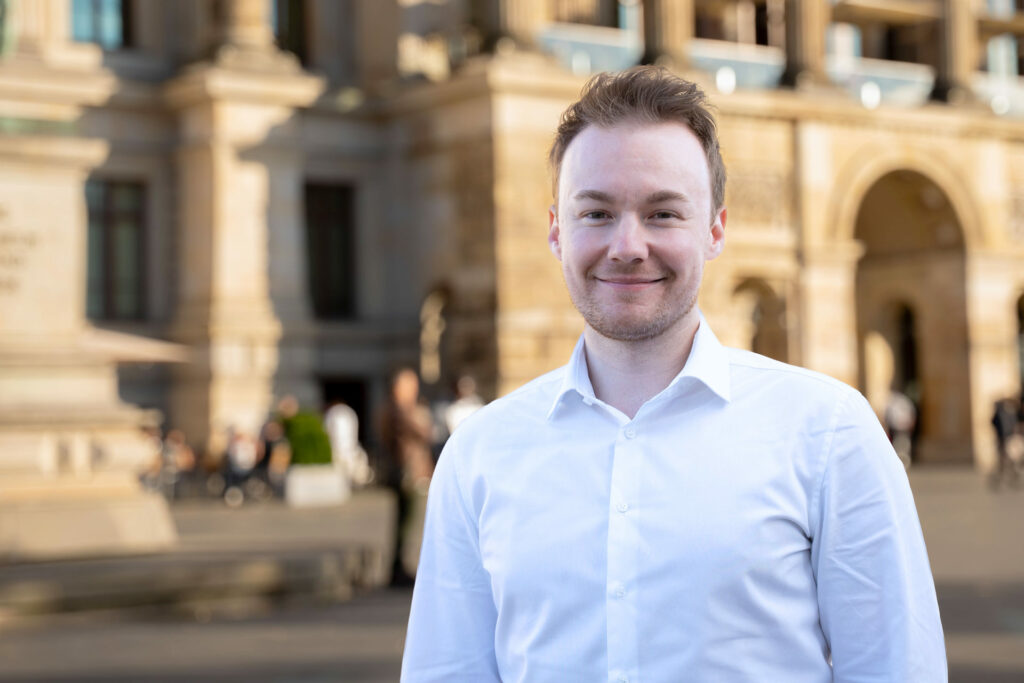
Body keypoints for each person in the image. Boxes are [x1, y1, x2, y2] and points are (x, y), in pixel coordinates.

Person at [402, 67, 946, 681]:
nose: (628, 245)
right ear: (557, 230)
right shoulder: (480, 454)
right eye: (597, 213)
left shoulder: (829, 433)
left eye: (663, 213)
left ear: (715, 229)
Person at [378, 367, 435, 586]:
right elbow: (423, 433)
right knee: (407, 522)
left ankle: (400, 566)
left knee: (408, 521)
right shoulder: (398, 410)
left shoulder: (394, 409)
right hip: (406, 474)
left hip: (406, 473)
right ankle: (398, 568)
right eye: (410, 385)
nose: (414, 389)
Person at [990, 396, 1021, 490]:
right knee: (1003, 461)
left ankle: (1012, 479)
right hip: (1002, 440)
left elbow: (1013, 426)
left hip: (1008, 439)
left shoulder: (1008, 414)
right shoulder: (998, 415)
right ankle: (999, 480)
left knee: (1008, 461)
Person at [884, 388, 917, 469]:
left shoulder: (899, 401)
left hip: (901, 426)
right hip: (897, 427)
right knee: (899, 445)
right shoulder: (895, 402)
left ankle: (903, 462)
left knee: (903, 444)